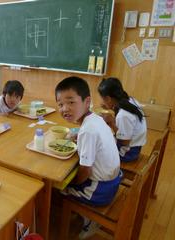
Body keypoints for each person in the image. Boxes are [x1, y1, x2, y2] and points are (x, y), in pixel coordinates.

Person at [55, 76, 121, 238]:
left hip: (99, 190)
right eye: (60, 104)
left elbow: (85, 172)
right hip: (113, 180)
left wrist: (71, 184)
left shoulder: (87, 130)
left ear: (87, 101)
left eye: (71, 102)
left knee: (57, 188)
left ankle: (89, 219)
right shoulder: (95, 119)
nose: (65, 109)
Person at [98, 77, 147, 162]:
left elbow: (125, 142)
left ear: (108, 99)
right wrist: (111, 108)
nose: (102, 101)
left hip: (127, 153)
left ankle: (110, 172)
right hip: (135, 147)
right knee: (102, 139)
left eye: (103, 99)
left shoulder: (123, 115)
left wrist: (112, 123)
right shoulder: (131, 100)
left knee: (96, 149)